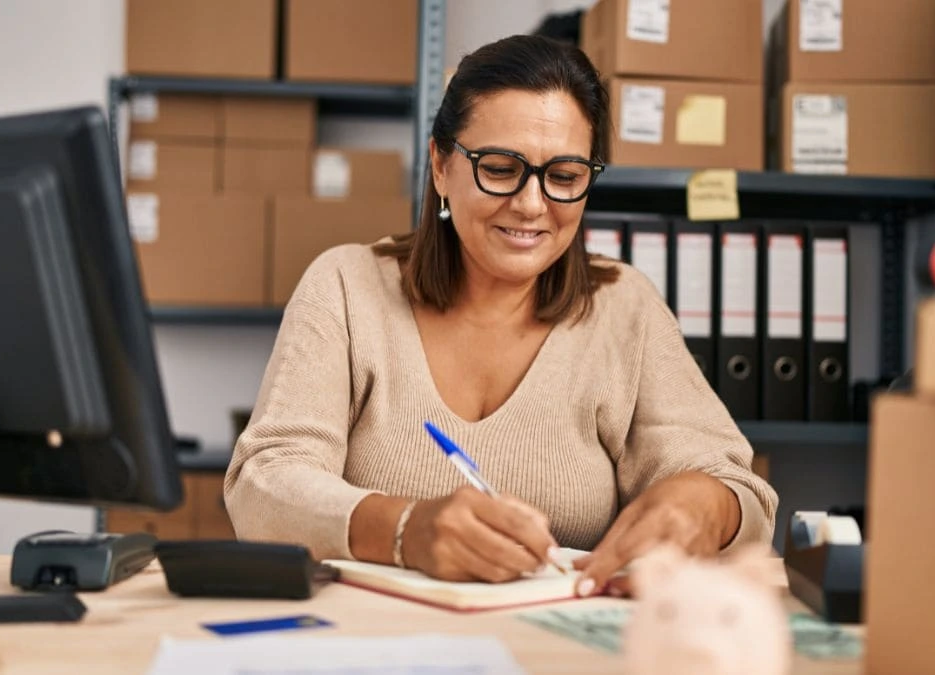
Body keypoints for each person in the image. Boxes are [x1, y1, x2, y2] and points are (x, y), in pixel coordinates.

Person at [225, 34, 778, 598]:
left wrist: (707, 506)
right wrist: (404, 530)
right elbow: (262, 486)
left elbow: (743, 494)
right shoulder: (345, 288)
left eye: (564, 176)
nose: (532, 205)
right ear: (441, 166)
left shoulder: (626, 309)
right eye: (499, 167)